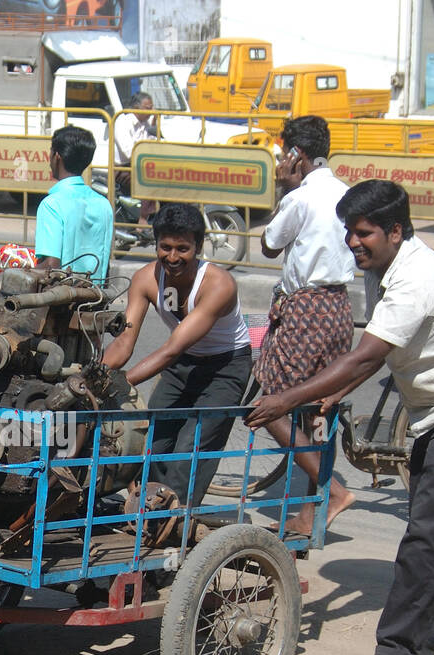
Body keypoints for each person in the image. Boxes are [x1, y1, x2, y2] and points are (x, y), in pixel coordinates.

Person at [246, 180, 434, 655]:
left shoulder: (416, 278)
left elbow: (367, 354)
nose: (354, 242)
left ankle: (396, 651)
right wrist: (335, 391)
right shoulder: (381, 265)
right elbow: (380, 350)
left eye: (364, 232)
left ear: (396, 230)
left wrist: (285, 398)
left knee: (428, 531)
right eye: (349, 232)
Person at [102, 202, 251, 507]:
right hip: (183, 364)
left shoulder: (219, 283)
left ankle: (175, 518)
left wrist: (119, 384)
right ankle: (147, 506)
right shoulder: (145, 278)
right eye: (165, 247)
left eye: (182, 248)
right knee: (152, 437)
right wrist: (95, 379)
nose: (172, 257)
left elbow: (171, 349)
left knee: (192, 446)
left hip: (225, 366)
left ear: (198, 246)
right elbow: (123, 343)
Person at [256, 115, 357, 536]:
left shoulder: (301, 197)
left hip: (304, 311)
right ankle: (312, 512)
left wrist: (283, 186)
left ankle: (332, 491)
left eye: (284, 154)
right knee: (318, 407)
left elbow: (267, 244)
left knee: (270, 407)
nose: (281, 161)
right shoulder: (349, 194)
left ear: (296, 154)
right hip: (339, 308)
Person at [35, 125, 115, 283]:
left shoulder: (52, 205)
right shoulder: (104, 204)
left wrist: (15, 268)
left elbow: (51, 265)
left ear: (56, 156)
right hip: (94, 298)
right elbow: (104, 265)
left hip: (61, 298)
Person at [114, 91, 158, 228]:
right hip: (123, 168)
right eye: (148, 108)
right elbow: (128, 152)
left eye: (152, 107)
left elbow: (150, 143)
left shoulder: (144, 124)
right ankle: (142, 221)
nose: (152, 111)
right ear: (136, 107)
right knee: (148, 180)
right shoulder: (123, 122)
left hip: (140, 165)